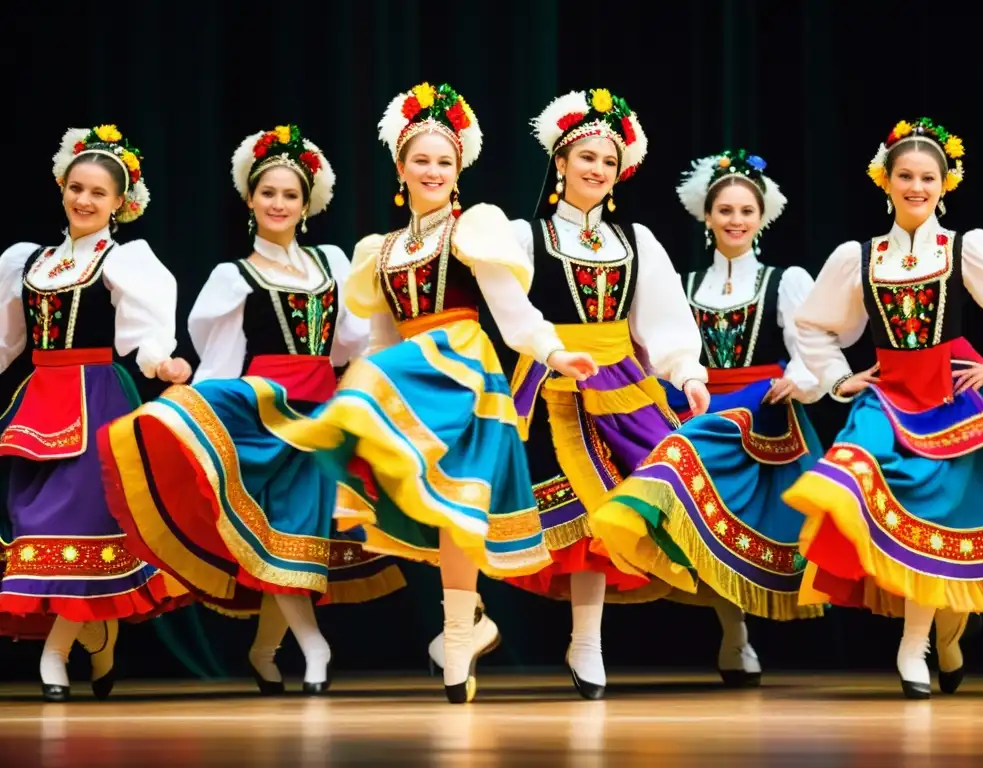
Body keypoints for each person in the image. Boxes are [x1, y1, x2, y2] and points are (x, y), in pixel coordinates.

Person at [99, 82, 597, 704]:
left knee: (460, 501)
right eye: (421, 159)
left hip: (464, 371)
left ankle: (457, 631)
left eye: (444, 160)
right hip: (409, 371)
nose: (433, 170)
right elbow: (380, 343)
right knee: (439, 502)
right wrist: (362, 400)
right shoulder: (378, 252)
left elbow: (512, 309)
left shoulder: (478, 228)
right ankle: (465, 627)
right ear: (401, 167)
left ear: (458, 167)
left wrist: (553, 351)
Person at [102, 125, 406, 695]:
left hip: (323, 411)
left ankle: (266, 648)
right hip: (264, 412)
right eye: (268, 193)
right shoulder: (232, 278)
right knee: (282, 530)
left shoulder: (332, 264)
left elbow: (350, 343)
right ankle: (313, 647)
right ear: (250, 199)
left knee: (295, 536)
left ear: (306, 204)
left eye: (290, 195)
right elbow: (221, 362)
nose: (279, 204)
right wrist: (193, 414)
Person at [429, 88, 712, 700]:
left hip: (622, 386)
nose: (596, 169)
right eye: (584, 157)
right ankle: (462, 625)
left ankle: (588, 639)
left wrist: (686, 372)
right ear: (559, 162)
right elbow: (510, 307)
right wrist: (549, 347)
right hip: (546, 381)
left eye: (608, 161)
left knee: (601, 517)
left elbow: (661, 317)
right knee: (509, 505)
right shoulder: (524, 236)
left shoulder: (634, 239)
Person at [781, 117, 983, 698]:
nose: (917, 186)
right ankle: (921, 643)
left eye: (928, 177)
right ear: (884, 181)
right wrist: (841, 379)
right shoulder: (857, 257)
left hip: (954, 394)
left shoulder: (965, 247)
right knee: (852, 477)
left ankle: (936, 640)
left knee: (940, 521)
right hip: (888, 393)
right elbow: (813, 325)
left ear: (946, 184)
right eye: (906, 175)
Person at [588, 149, 825, 688]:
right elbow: (652, 347)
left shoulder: (784, 280)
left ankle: (738, 634)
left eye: (746, 210)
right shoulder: (684, 282)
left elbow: (811, 344)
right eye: (726, 210)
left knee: (753, 527)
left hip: (763, 413)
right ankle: (733, 633)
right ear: (707, 216)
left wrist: (803, 380)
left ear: (762, 216)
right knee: (702, 521)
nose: (736, 220)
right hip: (698, 411)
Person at [0, 124, 191, 701]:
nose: (84, 200)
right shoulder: (26, 261)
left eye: (99, 193)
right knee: (35, 525)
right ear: (63, 186)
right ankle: (96, 640)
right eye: (77, 187)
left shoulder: (123, 260)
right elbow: (7, 340)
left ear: (120, 203)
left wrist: (163, 365)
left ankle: (57, 654)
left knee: (82, 524)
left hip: (97, 399)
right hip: (38, 404)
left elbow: (146, 337)